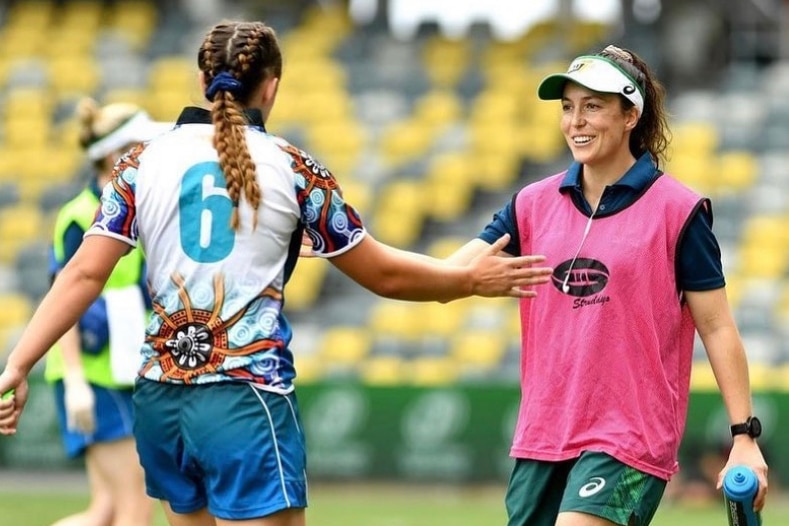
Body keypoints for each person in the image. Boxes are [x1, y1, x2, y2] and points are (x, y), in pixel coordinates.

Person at [0, 20, 552, 526]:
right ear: (272, 87)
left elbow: (79, 276)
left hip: (162, 402)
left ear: (200, 80)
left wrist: (19, 364)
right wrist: (466, 281)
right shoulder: (293, 167)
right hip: (245, 398)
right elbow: (384, 276)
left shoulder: (140, 162)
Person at [441, 45, 768, 526]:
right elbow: (447, 277)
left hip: (629, 439)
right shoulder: (530, 204)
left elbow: (717, 327)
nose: (577, 121)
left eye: (593, 106)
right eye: (568, 108)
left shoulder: (678, 211)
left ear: (630, 114)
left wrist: (744, 437)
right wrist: (344, 245)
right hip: (541, 436)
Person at [44, 98, 167, 526]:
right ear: (117, 155)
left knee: (108, 510)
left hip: (117, 369)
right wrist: (76, 381)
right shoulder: (80, 216)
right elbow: (66, 298)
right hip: (94, 375)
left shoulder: (128, 209)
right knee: (135, 505)